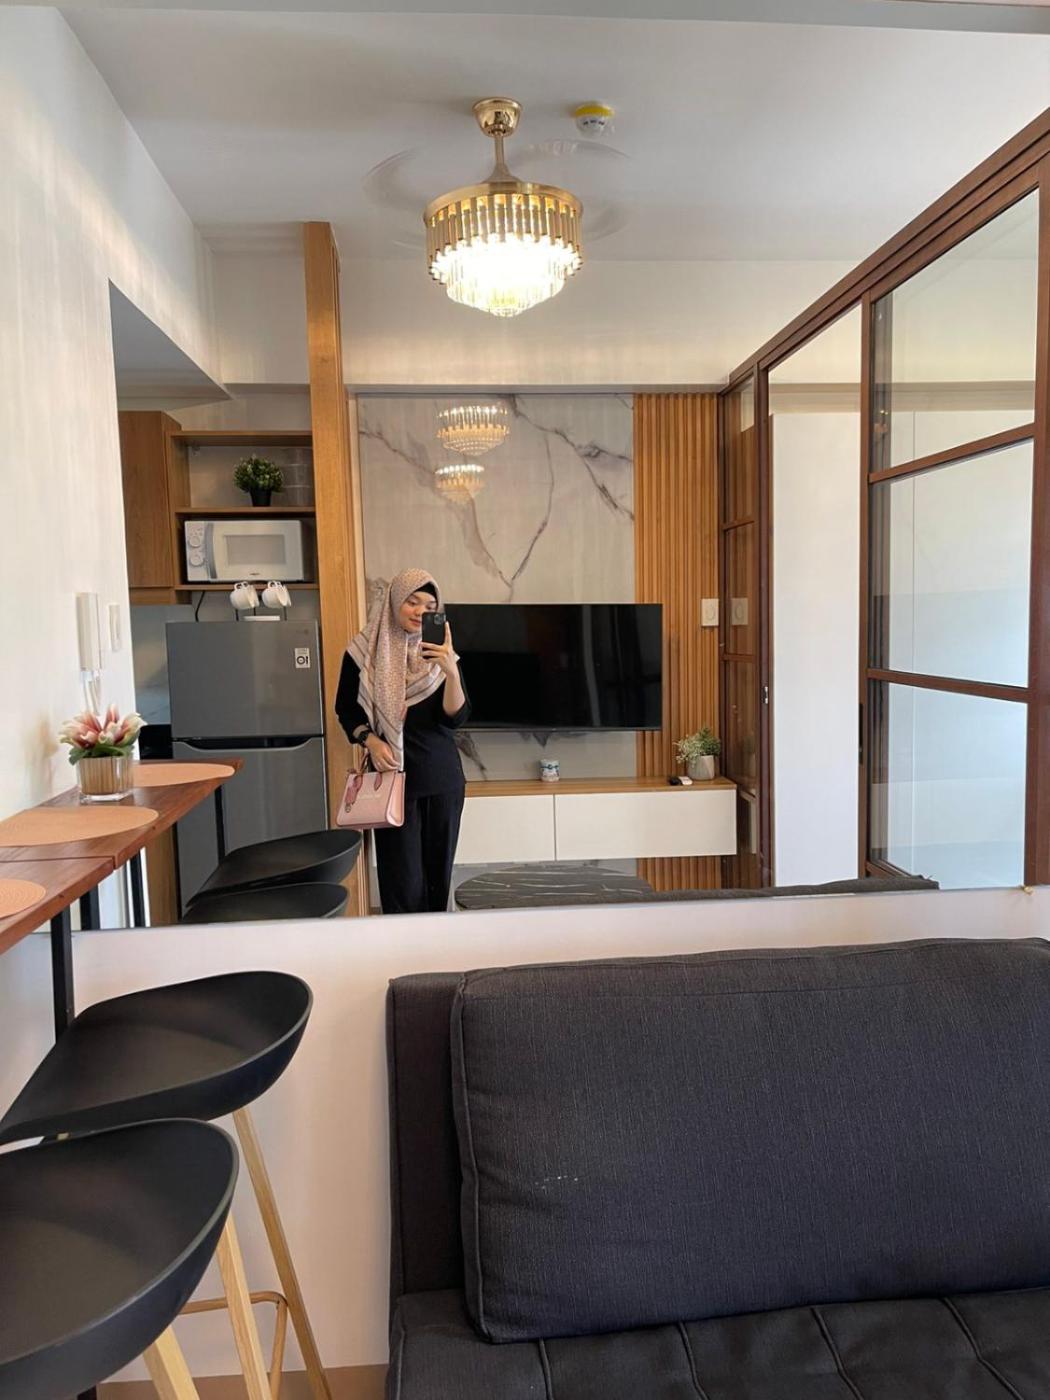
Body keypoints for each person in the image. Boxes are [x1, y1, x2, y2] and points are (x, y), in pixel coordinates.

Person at [336, 568, 469, 915]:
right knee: (401, 884)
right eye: (412, 602)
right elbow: (346, 710)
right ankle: (402, 945)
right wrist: (370, 741)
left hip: (442, 781)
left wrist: (451, 672)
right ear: (395, 600)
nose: (420, 611)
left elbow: (454, 719)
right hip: (392, 783)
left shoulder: (440, 654)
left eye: (430, 606)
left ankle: (435, 947)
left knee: (438, 881)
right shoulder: (362, 652)